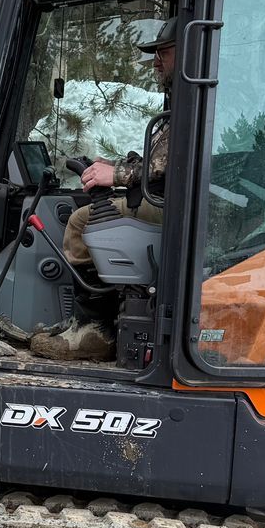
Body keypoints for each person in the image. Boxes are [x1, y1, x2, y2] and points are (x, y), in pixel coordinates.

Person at [30, 22, 175, 363]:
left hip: (178, 208)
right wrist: (114, 165)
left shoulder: (195, 103)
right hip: (167, 200)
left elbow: (178, 164)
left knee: (83, 221)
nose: (156, 61)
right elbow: (160, 162)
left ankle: (95, 329)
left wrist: (119, 174)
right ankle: (90, 323)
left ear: (191, 51)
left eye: (163, 52)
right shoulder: (183, 100)